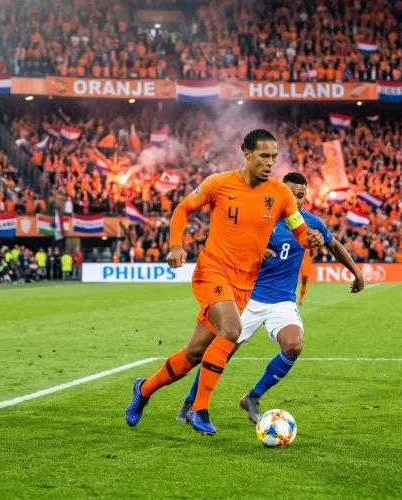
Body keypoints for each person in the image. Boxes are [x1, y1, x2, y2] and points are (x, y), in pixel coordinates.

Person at [125, 129, 325, 435]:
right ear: (247, 154)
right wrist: (175, 244)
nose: (271, 162)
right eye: (264, 156)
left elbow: (298, 230)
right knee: (231, 330)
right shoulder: (219, 183)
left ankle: (144, 389)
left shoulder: (281, 194)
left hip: (244, 283)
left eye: (274, 156)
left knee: (193, 354)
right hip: (213, 270)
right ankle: (199, 409)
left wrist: (308, 237)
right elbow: (183, 208)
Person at [177, 172, 365, 424]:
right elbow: (234, 242)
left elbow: (334, 246)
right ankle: (191, 402)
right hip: (248, 296)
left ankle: (252, 397)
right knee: (222, 353)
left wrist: (356, 272)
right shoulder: (261, 219)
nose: (296, 200)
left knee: (294, 345)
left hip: (282, 300)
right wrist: (255, 249)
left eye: (300, 195)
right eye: (291, 194)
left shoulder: (310, 224)